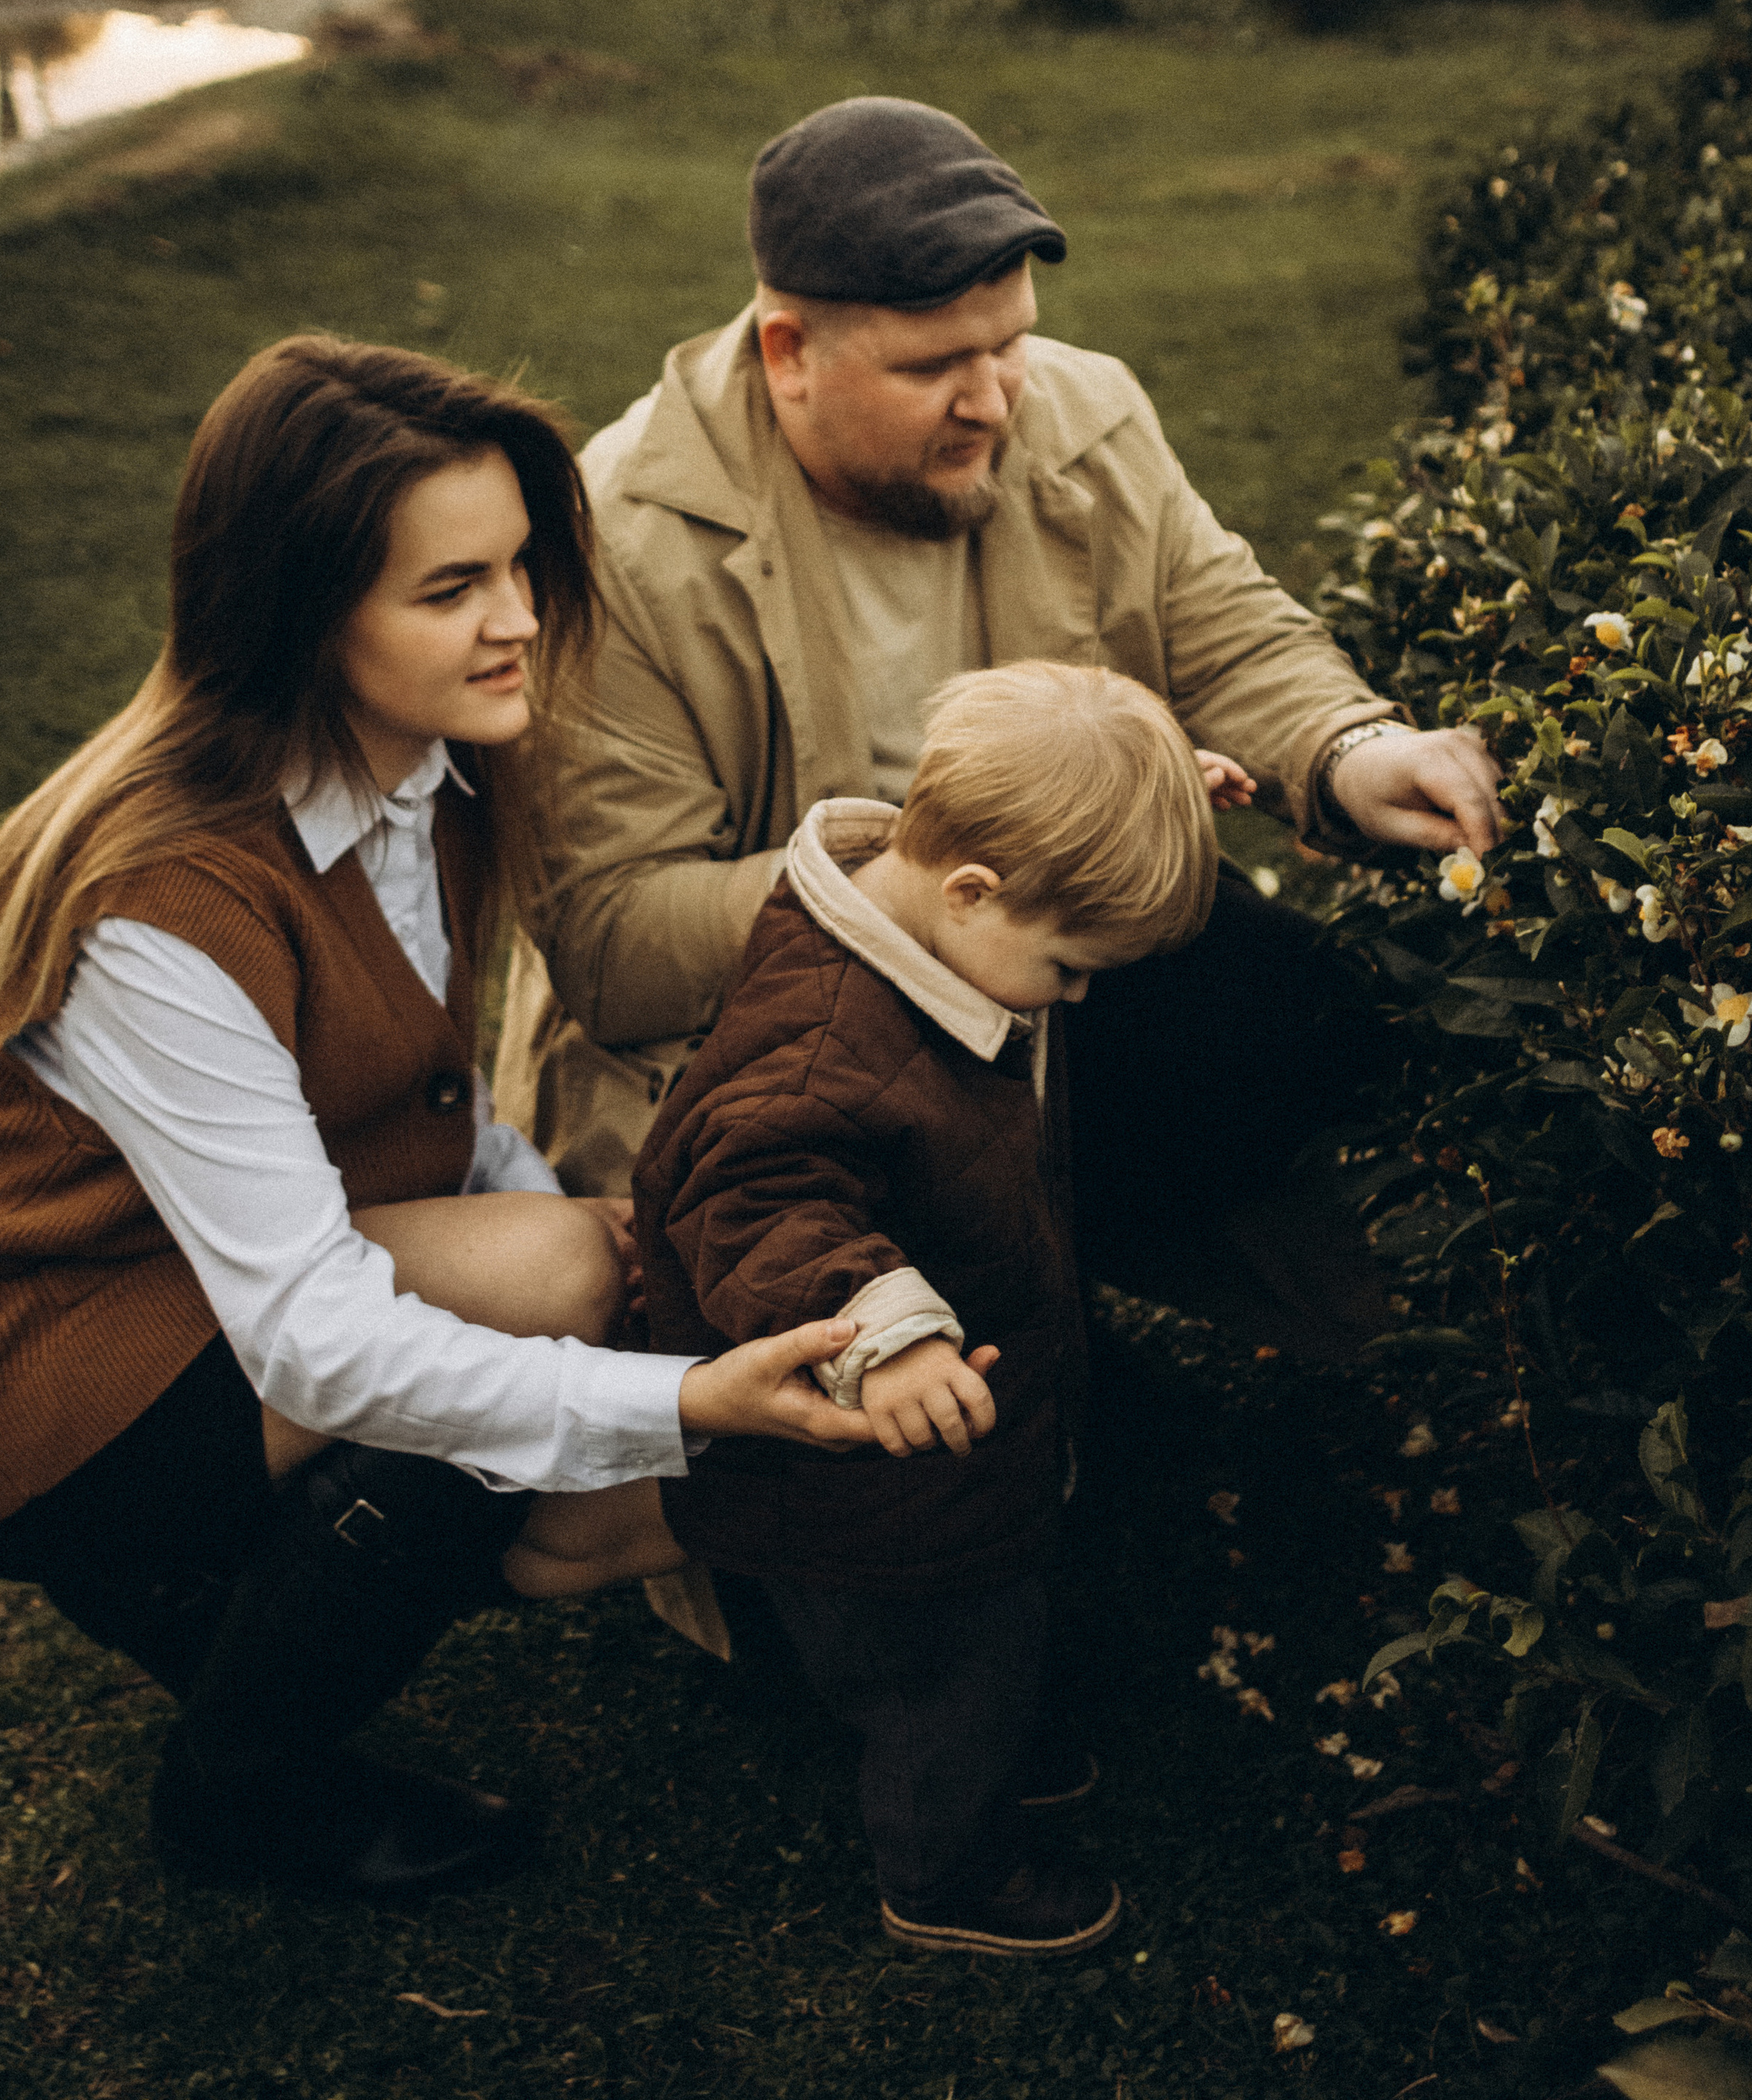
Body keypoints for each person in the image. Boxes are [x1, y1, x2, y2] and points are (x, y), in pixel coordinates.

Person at [0, 335, 879, 1901]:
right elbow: (321, 1347)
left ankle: (239, 1607)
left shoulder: (432, 776)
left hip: (199, 1285)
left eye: (522, 566)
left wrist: (596, 1279)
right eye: (450, 587)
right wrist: (669, 1395)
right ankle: (237, 1794)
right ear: (299, 608)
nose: (521, 621)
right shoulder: (158, 903)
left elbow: (418, 1104)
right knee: (535, 1339)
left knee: (567, 1352)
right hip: (35, 1365)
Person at [494, 94, 1501, 1335]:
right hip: (772, 1060)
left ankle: (1389, 1364)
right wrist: (936, 863)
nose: (994, 401)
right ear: (787, 353)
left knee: (1303, 1022)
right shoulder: (622, 544)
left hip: (1052, 984)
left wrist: (1351, 752)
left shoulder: (1084, 412)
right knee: (955, 1409)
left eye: (1010, 342)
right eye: (932, 367)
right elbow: (614, 942)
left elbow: (1225, 627)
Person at [624, 662, 1219, 1956]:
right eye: (1069, 965)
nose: (1075, 998)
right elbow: (759, 1200)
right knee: (937, 1666)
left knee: (979, 1650)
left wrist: (1153, 812)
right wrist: (880, 1334)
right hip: (873, 1479)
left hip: (949, 1444)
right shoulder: (828, 1038)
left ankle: (981, 1741)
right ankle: (949, 1869)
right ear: (972, 891)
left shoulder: (909, 919)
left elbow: (1052, 873)